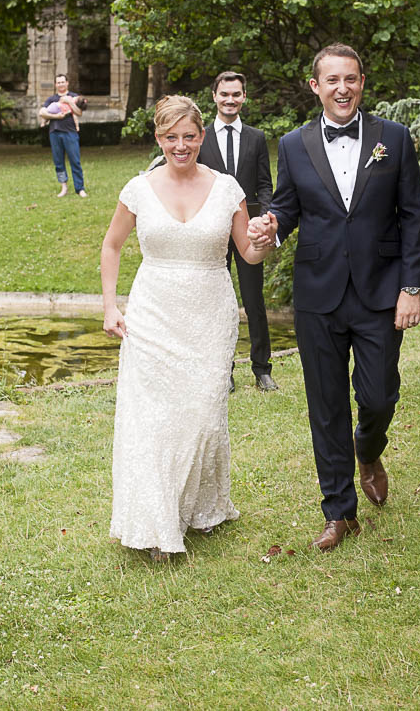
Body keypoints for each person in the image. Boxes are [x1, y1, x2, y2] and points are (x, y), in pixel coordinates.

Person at [249, 43, 420, 551]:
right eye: (332, 80)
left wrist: (411, 288)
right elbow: (285, 208)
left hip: (380, 293)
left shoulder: (393, 138)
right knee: (325, 406)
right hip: (318, 295)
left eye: (351, 79)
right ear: (315, 86)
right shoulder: (293, 144)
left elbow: (413, 214)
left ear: (363, 82)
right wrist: (272, 228)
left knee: (378, 396)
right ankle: (339, 512)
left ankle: (368, 450)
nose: (342, 88)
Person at [101, 95, 273, 561]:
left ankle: (200, 506)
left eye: (189, 136)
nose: (181, 146)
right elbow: (112, 246)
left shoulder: (227, 189)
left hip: (209, 315)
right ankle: (160, 522)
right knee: (155, 420)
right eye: (171, 137)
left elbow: (248, 254)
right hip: (152, 314)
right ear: (159, 138)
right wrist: (111, 306)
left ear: (202, 137)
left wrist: (265, 239)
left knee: (201, 415)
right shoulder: (137, 188)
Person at [198, 71, 278, 392]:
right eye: (224, 94)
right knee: (216, 302)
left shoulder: (257, 138)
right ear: (214, 97)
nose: (230, 100)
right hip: (212, 231)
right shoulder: (201, 138)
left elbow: (264, 185)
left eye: (236, 94)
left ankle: (262, 369)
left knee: (253, 299)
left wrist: (266, 218)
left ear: (244, 97)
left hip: (248, 229)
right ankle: (223, 370)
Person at [38, 74, 88, 198]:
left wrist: (69, 102)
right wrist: (56, 117)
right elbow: (42, 112)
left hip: (70, 132)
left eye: (62, 82)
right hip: (54, 133)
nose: (60, 84)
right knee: (58, 162)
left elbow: (79, 112)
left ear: (67, 83)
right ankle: (63, 187)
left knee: (75, 161)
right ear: (56, 85)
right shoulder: (51, 99)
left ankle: (80, 188)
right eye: (58, 82)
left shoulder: (75, 97)